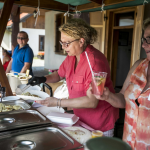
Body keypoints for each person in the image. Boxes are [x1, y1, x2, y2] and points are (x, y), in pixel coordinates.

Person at [28, 18, 119, 136]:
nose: (63, 47)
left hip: (99, 124)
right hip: (80, 119)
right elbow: (59, 74)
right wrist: (42, 79)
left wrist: (58, 102)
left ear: (81, 42)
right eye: (61, 43)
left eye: (67, 43)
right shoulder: (72, 56)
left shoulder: (94, 62)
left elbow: (92, 101)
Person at [87, 18, 150, 150]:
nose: (144, 45)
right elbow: (123, 100)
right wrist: (107, 96)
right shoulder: (139, 66)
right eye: (144, 40)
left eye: (149, 39)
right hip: (127, 143)